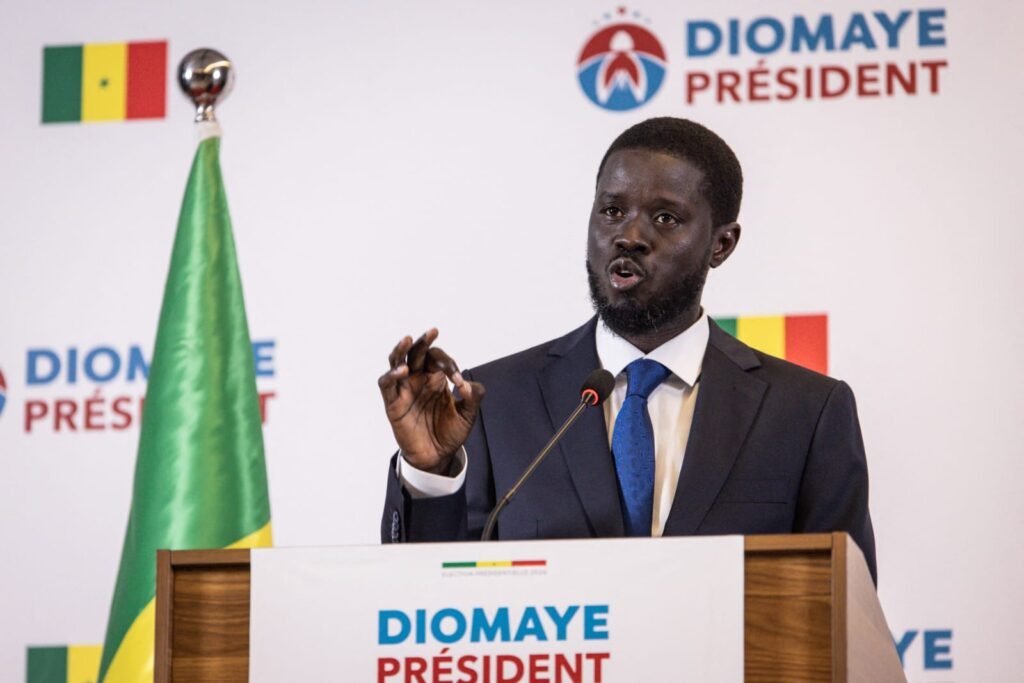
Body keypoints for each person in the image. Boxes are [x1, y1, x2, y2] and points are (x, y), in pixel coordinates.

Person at [378, 117, 877, 582]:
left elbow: (843, 608)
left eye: (665, 217)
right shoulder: (497, 402)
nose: (629, 236)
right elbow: (433, 599)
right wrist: (429, 474)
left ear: (721, 244)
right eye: (612, 211)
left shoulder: (805, 413)